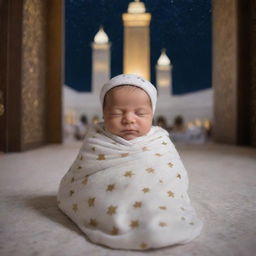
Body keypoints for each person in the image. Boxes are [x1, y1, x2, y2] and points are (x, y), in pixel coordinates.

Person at [57, 74, 203, 250]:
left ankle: (154, 212)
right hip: (109, 195)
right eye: (116, 113)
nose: (129, 119)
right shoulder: (96, 141)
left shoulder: (159, 141)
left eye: (140, 113)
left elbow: (172, 174)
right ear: (104, 114)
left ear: (152, 114)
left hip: (154, 193)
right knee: (111, 209)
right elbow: (83, 176)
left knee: (159, 206)